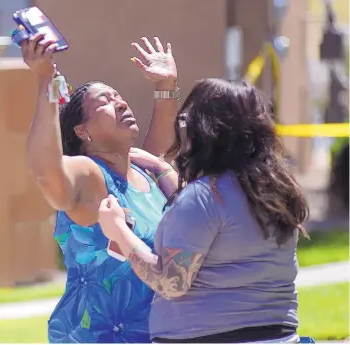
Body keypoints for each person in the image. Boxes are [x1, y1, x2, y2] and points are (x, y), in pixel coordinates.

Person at [98, 78, 311, 343]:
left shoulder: (205, 196)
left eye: (185, 121)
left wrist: (118, 230)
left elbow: (171, 282)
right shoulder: (277, 189)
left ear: (204, 130)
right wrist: (160, 167)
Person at [21, 33, 179, 343]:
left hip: (158, 334)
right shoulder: (91, 175)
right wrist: (45, 84)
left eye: (119, 97)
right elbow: (47, 173)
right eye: (105, 102)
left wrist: (166, 84)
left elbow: (164, 145)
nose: (119, 102)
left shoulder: (146, 172)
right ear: (83, 131)